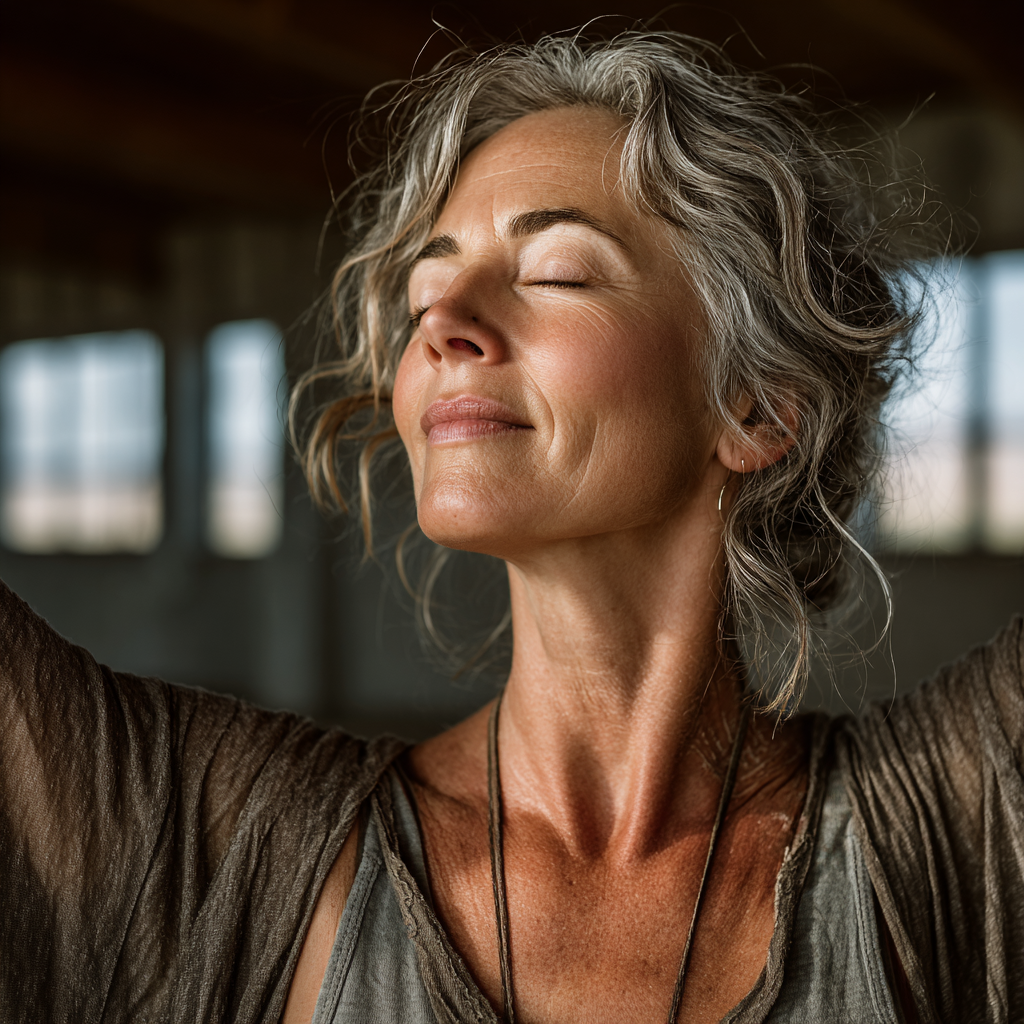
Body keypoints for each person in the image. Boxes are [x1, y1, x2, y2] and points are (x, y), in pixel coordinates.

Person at [1, 29, 1021, 1024]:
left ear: (753, 406)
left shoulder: (950, 830)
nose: (441, 319)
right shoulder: (213, 845)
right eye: (424, 290)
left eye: (556, 272)